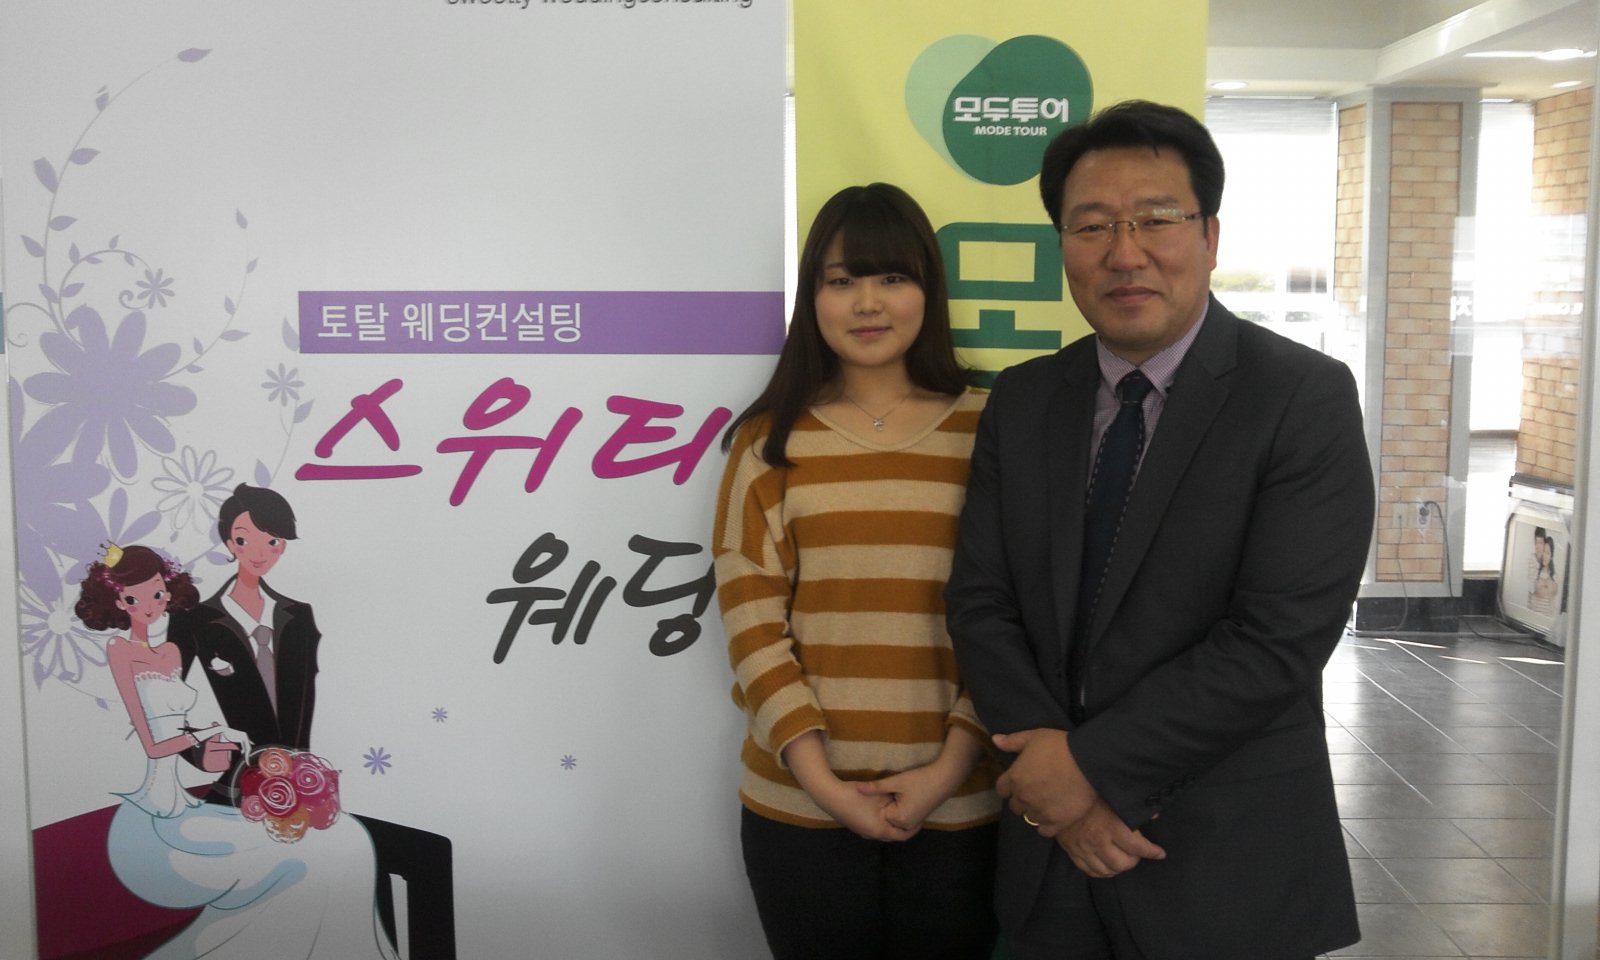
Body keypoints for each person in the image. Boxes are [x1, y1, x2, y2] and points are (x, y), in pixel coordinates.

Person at [945, 100, 1375, 960]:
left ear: (1210, 236)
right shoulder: (1023, 400)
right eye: (1092, 225)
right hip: (1048, 859)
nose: (1124, 252)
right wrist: (1053, 782)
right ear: (1062, 246)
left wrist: (1086, 771)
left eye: (1155, 219)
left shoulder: (1302, 397)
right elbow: (981, 602)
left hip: (1225, 858)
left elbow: (1277, 637)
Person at [712, 182, 999, 960]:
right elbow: (751, 625)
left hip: (960, 806)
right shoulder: (768, 442)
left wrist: (949, 767)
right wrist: (825, 784)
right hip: (798, 809)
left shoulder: (990, 429)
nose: (867, 303)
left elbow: (1012, 617)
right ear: (813, 299)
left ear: (928, 290)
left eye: (892, 277)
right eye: (841, 280)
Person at [167, 484, 457, 958]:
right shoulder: (196, 620)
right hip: (237, 793)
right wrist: (198, 751)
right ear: (227, 540)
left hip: (305, 791)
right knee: (365, 858)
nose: (259, 552)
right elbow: (163, 707)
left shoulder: (298, 617)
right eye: (244, 538)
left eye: (273, 541)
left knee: (427, 853)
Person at [78, 543, 399, 960]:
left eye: (157, 593)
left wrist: (213, 736)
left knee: (345, 838)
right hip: (157, 815)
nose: (150, 606)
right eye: (134, 599)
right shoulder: (121, 652)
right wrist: (210, 734)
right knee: (311, 853)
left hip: (190, 805)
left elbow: (186, 722)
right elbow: (153, 745)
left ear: (168, 590)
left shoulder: (172, 652)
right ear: (118, 602)